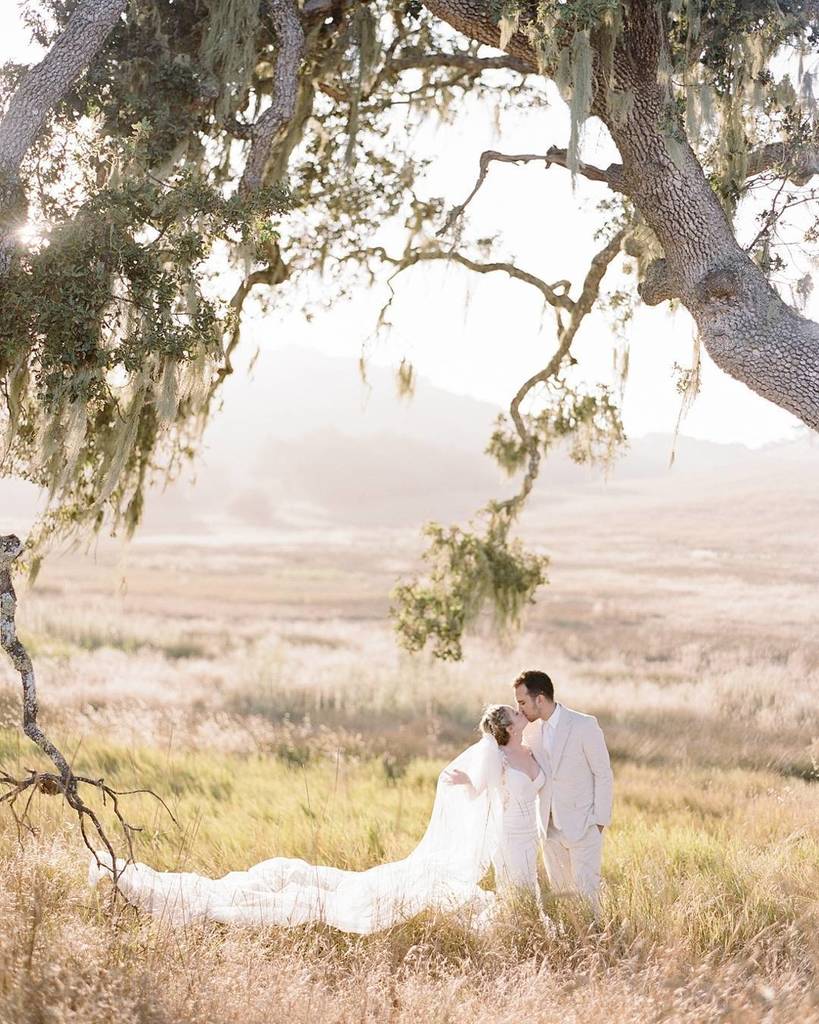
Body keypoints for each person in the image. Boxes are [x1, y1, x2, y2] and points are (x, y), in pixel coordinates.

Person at [88, 704, 544, 932]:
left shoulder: (515, 747)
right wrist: (463, 783)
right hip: (506, 837)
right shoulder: (493, 753)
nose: (520, 714)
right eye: (514, 714)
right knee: (353, 893)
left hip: (519, 834)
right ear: (504, 728)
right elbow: (475, 784)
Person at [514, 669, 613, 913]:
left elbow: (603, 774)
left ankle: (598, 948)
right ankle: (570, 949)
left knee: (588, 900)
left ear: (540, 698)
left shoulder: (584, 725)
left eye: (522, 702)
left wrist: (599, 821)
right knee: (563, 903)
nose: (520, 709)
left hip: (584, 826)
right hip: (549, 830)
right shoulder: (530, 731)